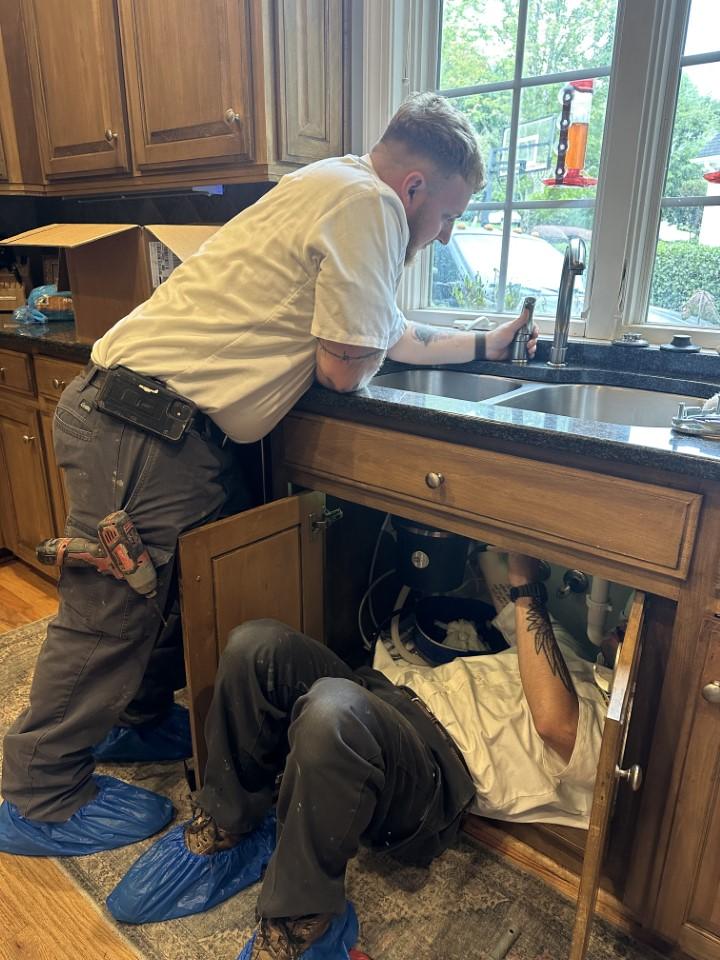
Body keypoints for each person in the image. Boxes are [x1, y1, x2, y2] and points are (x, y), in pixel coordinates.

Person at [0, 92, 539, 857]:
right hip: (148, 426)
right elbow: (346, 366)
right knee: (109, 611)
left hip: (157, 423)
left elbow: (388, 332)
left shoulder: (335, 182)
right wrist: (370, 343)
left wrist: (484, 347)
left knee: (178, 593)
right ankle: (37, 792)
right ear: (415, 187)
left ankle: (137, 716)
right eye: (448, 213)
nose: (445, 234)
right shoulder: (372, 210)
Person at [105, 552, 616, 960]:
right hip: (393, 696)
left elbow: (554, 723)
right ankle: (229, 824)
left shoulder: (611, 732)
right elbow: (499, 580)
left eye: (631, 634)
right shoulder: (567, 648)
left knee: (333, 711)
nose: (620, 632)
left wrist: (529, 588)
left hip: (436, 772)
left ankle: (303, 922)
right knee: (256, 644)